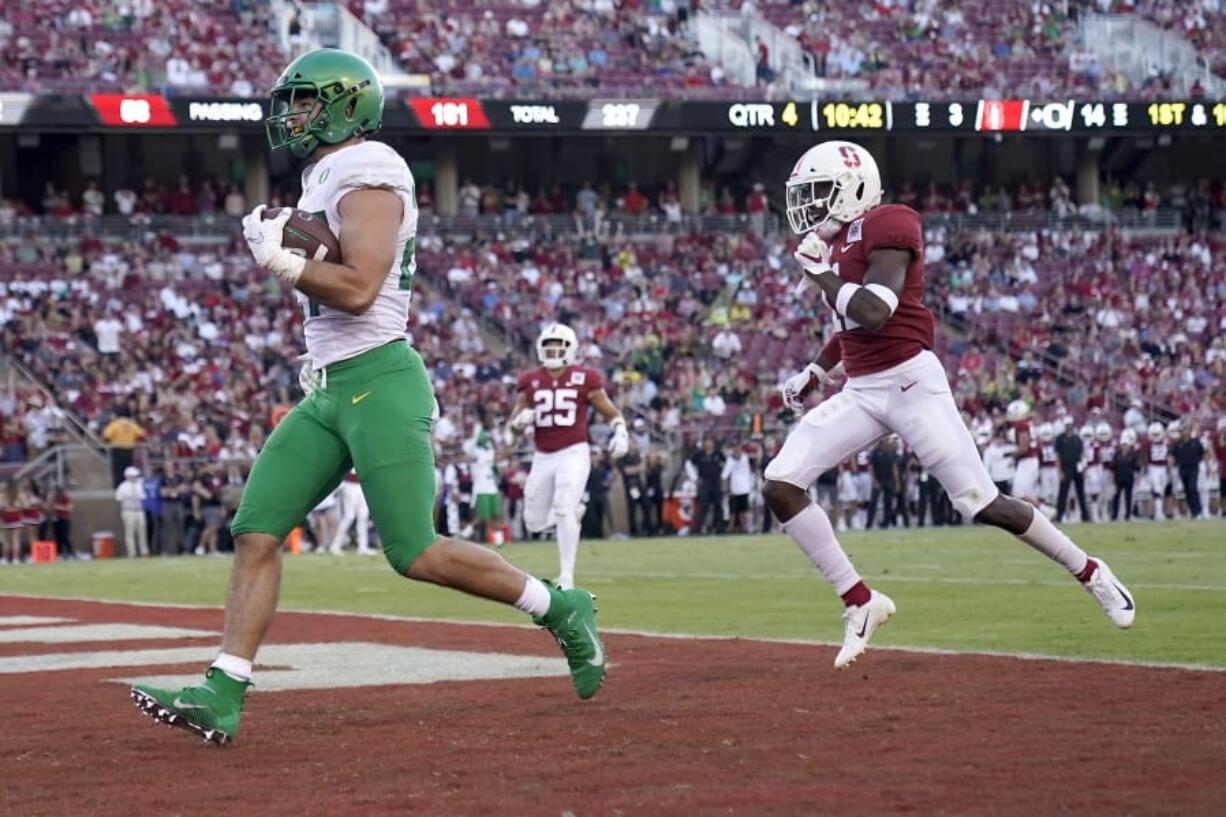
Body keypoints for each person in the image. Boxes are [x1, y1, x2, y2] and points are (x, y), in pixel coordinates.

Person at [130, 49, 605, 747]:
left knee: (414, 551)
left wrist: (283, 259)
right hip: (328, 388)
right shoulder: (329, 171)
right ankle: (223, 690)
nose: (289, 115)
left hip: (378, 379)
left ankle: (557, 604)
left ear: (344, 105)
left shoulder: (370, 168)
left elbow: (358, 288)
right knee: (256, 530)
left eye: (304, 101)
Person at [761, 139, 1135, 670]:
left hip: (911, 384)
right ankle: (861, 602)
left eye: (820, 192)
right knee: (780, 483)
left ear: (854, 189)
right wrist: (817, 370)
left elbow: (874, 312)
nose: (810, 205)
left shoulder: (889, 222)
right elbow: (851, 327)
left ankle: (1091, 571)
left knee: (980, 502)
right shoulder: (839, 243)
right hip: (863, 390)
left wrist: (820, 274)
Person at [506, 322, 628, 589]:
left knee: (562, 507)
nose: (552, 353)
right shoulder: (530, 380)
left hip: (573, 451)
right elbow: (509, 435)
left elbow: (611, 412)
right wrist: (518, 424)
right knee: (534, 523)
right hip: (542, 455)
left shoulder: (586, 378)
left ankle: (566, 576)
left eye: (556, 348)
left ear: (569, 349)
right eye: (547, 348)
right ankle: (574, 512)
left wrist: (620, 432)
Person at [329, 470, 373, 555]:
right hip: (349, 484)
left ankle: (363, 546)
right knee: (349, 516)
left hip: (361, 484)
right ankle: (335, 545)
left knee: (363, 516)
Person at [1055, 424, 1089, 523]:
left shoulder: (1077, 439)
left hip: (1077, 467)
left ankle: (1085, 516)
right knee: (1063, 492)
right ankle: (1059, 515)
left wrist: (1083, 469)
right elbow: (1057, 455)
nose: (1069, 427)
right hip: (1066, 467)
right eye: (1067, 425)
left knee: (1081, 492)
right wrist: (1059, 470)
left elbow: (1082, 455)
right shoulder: (1060, 439)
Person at [1171, 422, 1204, 519]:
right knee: (1187, 491)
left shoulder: (1196, 442)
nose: (1185, 432)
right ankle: (1193, 512)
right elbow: (1174, 456)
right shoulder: (1178, 444)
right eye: (1184, 430)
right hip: (1182, 470)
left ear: (1190, 431)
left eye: (1187, 430)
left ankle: (1198, 511)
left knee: (1192, 488)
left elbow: (1201, 453)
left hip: (1193, 469)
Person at [115, 466, 149, 558]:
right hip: (128, 511)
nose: (135, 477)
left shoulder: (139, 485)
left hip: (139, 510)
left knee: (142, 532)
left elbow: (143, 496)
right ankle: (132, 553)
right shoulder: (123, 486)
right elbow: (118, 497)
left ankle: (144, 551)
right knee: (129, 533)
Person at [721, 443, 755, 534]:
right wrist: (727, 489)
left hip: (745, 488)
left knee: (744, 510)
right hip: (734, 489)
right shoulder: (730, 460)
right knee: (733, 511)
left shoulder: (745, 458)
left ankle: (745, 528)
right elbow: (725, 475)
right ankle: (731, 529)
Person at [1110, 429, 1139, 521]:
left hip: (1129, 478)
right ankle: (1115, 515)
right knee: (1116, 496)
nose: (1125, 447)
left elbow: (1136, 467)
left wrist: (1136, 476)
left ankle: (1128, 515)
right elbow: (1113, 467)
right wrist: (1113, 479)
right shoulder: (1116, 455)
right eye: (1123, 445)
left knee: (1128, 497)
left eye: (1126, 445)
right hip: (1118, 478)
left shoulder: (1133, 455)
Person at [51, 484, 74, 559]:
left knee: (65, 537)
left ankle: (70, 553)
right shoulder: (55, 498)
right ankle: (59, 554)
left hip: (64, 519)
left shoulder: (65, 497)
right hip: (56, 519)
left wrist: (59, 507)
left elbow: (70, 508)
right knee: (58, 538)